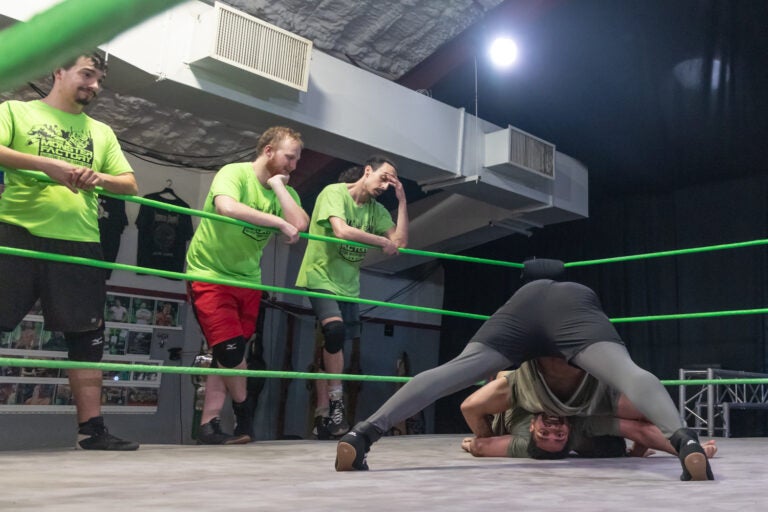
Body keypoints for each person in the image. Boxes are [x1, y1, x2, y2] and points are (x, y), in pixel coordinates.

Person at [336, 259, 715, 481]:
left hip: (519, 314)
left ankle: (363, 434)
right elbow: (628, 388)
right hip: (575, 312)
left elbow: (474, 407)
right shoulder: (577, 290)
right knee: (629, 372)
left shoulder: (524, 294)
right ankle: (686, 442)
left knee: (453, 372)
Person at [0, 51, 139, 450]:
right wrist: (48, 166)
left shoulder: (102, 132)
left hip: (79, 240)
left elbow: (129, 184)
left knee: (88, 335)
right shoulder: (16, 112)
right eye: (87, 74)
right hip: (16, 232)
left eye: (99, 81)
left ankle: (91, 430)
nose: (93, 86)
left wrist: (100, 177)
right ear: (58, 71)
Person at [186, 126, 308, 445]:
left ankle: (209, 424)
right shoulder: (234, 173)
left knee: (227, 354)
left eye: (297, 160)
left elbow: (301, 225)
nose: (293, 166)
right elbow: (227, 207)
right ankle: (245, 411)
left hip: (249, 279)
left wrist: (280, 187)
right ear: (268, 151)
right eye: (289, 158)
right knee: (230, 350)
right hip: (210, 272)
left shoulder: (285, 189)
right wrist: (278, 222)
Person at [296, 156, 409, 437]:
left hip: (348, 286)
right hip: (319, 275)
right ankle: (336, 405)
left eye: (391, 182)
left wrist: (403, 201)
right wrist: (381, 241)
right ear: (367, 171)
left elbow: (401, 242)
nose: (385, 185)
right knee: (333, 333)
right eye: (383, 178)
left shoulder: (378, 210)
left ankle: (324, 415)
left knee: (333, 347)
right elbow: (342, 231)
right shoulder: (334, 193)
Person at [459, 359, 718, 460]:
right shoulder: (579, 426)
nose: (552, 429)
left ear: (531, 428)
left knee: (489, 386)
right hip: (576, 405)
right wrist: (684, 448)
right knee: (639, 409)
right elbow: (637, 429)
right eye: (558, 436)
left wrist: (475, 443)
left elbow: (479, 444)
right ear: (568, 431)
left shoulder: (523, 441)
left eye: (544, 434)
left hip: (512, 396)